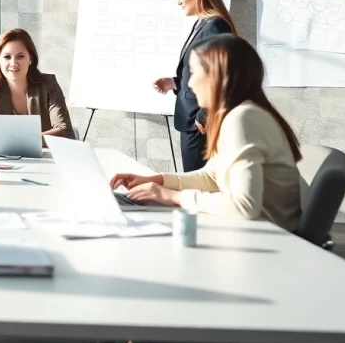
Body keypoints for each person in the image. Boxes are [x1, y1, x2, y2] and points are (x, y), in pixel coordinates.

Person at [113, 34, 303, 231]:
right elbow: (213, 176)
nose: (190, 83)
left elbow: (244, 206)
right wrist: (158, 181)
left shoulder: (243, 118)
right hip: (251, 231)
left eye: (194, 72)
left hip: (267, 237)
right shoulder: (240, 114)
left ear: (217, 75)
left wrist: (173, 196)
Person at [153, 0, 238, 173]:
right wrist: (175, 82)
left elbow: (224, 75)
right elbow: (202, 72)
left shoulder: (215, 26)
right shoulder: (202, 24)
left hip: (200, 122)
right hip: (193, 119)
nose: (179, 1)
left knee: (197, 183)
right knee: (195, 181)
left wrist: (205, 114)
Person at [0, 28, 74, 145]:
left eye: (20, 56)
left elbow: (65, 131)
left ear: (30, 59)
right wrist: (28, 140)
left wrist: (17, 141)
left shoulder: (49, 84)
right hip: (6, 160)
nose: (13, 63)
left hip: (45, 159)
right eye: (7, 57)